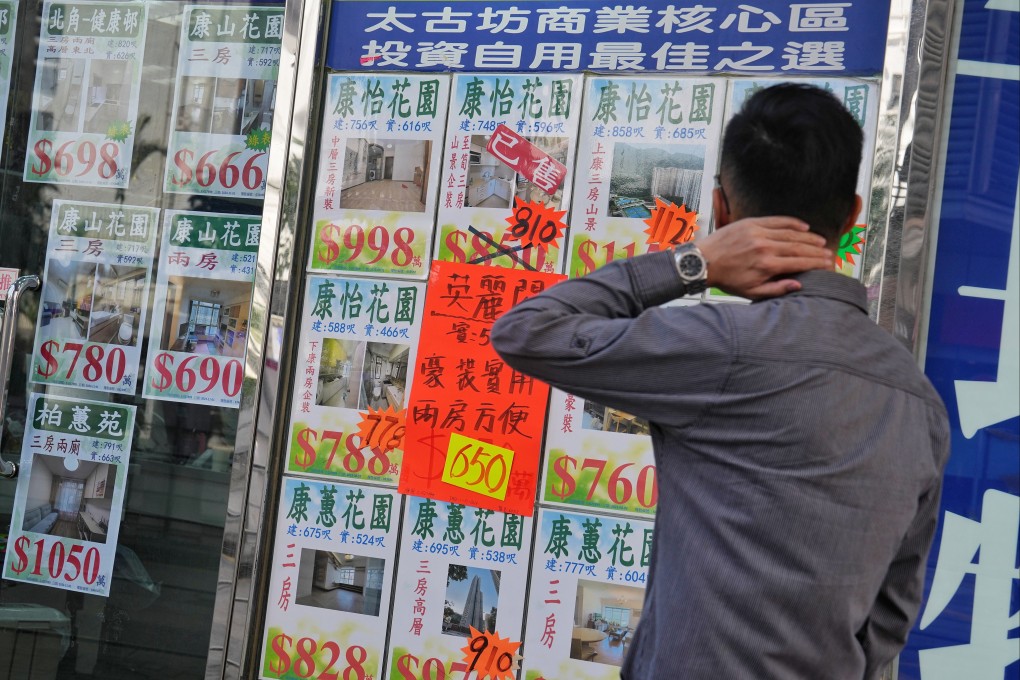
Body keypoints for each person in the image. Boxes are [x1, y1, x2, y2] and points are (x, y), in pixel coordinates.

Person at [491, 84, 950, 679]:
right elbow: (891, 614)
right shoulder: (919, 401)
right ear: (854, 215)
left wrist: (694, 262)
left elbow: (527, 332)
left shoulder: (725, 346)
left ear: (722, 210)